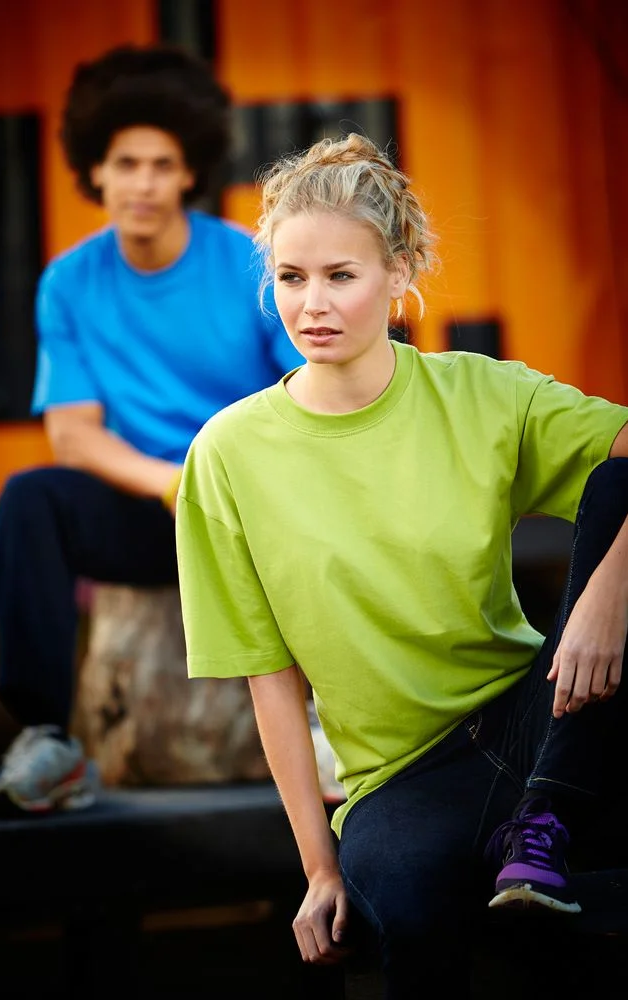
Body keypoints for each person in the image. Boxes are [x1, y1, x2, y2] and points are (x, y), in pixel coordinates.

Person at [175, 132, 628, 997]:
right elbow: (269, 676)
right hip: (399, 775)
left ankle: (543, 823)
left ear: (400, 270)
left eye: (342, 275)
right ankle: (525, 854)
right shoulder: (227, 454)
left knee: (621, 489)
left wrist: (608, 590)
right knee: (406, 915)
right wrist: (318, 867)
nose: (315, 304)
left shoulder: (484, 393)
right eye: (292, 278)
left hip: (539, 715)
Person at [0, 44, 303, 819]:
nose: (145, 183)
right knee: (31, 499)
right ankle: (47, 739)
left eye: (164, 164)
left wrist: (225, 477)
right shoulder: (69, 281)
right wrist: (171, 481)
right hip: (153, 508)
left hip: (254, 511)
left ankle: (329, 722)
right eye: (127, 164)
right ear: (97, 171)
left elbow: (311, 395)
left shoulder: (252, 264)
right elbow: (74, 438)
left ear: (191, 172)